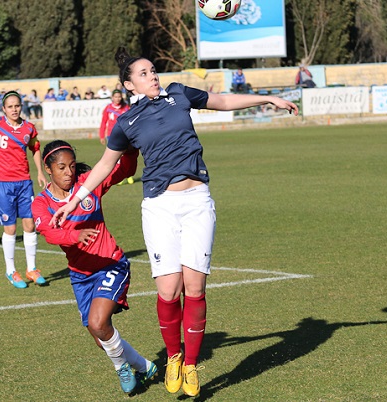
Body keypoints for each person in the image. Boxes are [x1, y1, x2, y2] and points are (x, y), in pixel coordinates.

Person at [50, 47, 299, 397]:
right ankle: (174, 357)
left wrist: (267, 100)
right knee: (169, 291)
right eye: (144, 73)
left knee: (195, 289)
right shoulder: (126, 122)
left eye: (153, 70)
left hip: (197, 201)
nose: (153, 76)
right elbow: (105, 166)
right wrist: (72, 201)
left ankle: (192, 366)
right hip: (160, 207)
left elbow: (222, 100)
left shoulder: (179, 94)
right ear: (129, 84)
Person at [32, 140, 157, 394]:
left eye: (72, 166)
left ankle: (121, 368)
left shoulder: (88, 184)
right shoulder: (41, 203)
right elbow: (49, 234)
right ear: (48, 170)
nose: (69, 173)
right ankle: (144, 366)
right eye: (62, 168)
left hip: (111, 263)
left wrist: (131, 151)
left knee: (99, 323)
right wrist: (73, 237)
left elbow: (124, 170)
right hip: (80, 277)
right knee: (101, 338)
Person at [0, 91, 47, 288]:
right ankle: (11, 270)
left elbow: (35, 148)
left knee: (30, 225)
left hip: (24, 183)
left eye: (17, 106)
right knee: (11, 228)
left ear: (21, 107)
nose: (14, 109)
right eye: (10, 106)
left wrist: (40, 171)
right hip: (1, 184)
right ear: (4, 109)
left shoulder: (29, 128)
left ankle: (32, 269)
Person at [98, 89, 134, 185]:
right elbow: (104, 122)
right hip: (111, 136)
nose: (117, 99)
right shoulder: (108, 108)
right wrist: (102, 135)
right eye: (115, 97)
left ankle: (129, 175)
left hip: (124, 135)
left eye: (119, 97)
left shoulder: (126, 108)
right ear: (112, 98)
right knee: (115, 159)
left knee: (126, 156)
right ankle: (120, 176)